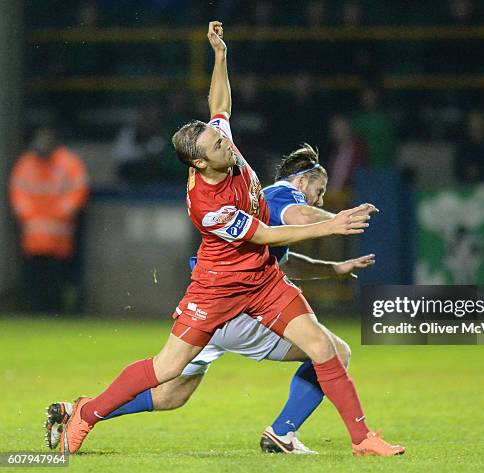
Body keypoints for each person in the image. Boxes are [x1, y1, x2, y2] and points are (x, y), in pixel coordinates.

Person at [53, 21, 404, 457]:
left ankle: (363, 439)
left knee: (324, 346)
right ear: (200, 163)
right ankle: (87, 416)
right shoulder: (208, 203)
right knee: (168, 371)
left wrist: (220, 56)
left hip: (263, 283)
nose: (226, 143)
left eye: (221, 137)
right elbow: (267, 233)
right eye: (217, 144)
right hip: (218, 288)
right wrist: (330, 225)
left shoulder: (222, 149)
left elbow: (219, 104)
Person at [46, 143, 375, 455]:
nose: (317, 201)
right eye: (318, 192)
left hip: (212, 303)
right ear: (302, 180)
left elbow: (281, 259)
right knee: (333, 351)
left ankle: (81, 411)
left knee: (170, 394)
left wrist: (334, 268)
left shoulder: (260, 201)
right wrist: (336, 220)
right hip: (236, 307)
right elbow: (300, 217)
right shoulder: (282, 192)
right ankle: (284, 432)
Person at [9, 126, 89, 313]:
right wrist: (30, 215)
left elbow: (78, 191)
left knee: (57, 278)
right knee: (33, 278)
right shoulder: (26, 163)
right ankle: (33, 310)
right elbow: (17, 192)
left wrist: (60, 213)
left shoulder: (69, 163)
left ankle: (56, 311)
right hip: (33, 236)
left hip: (60, 236)